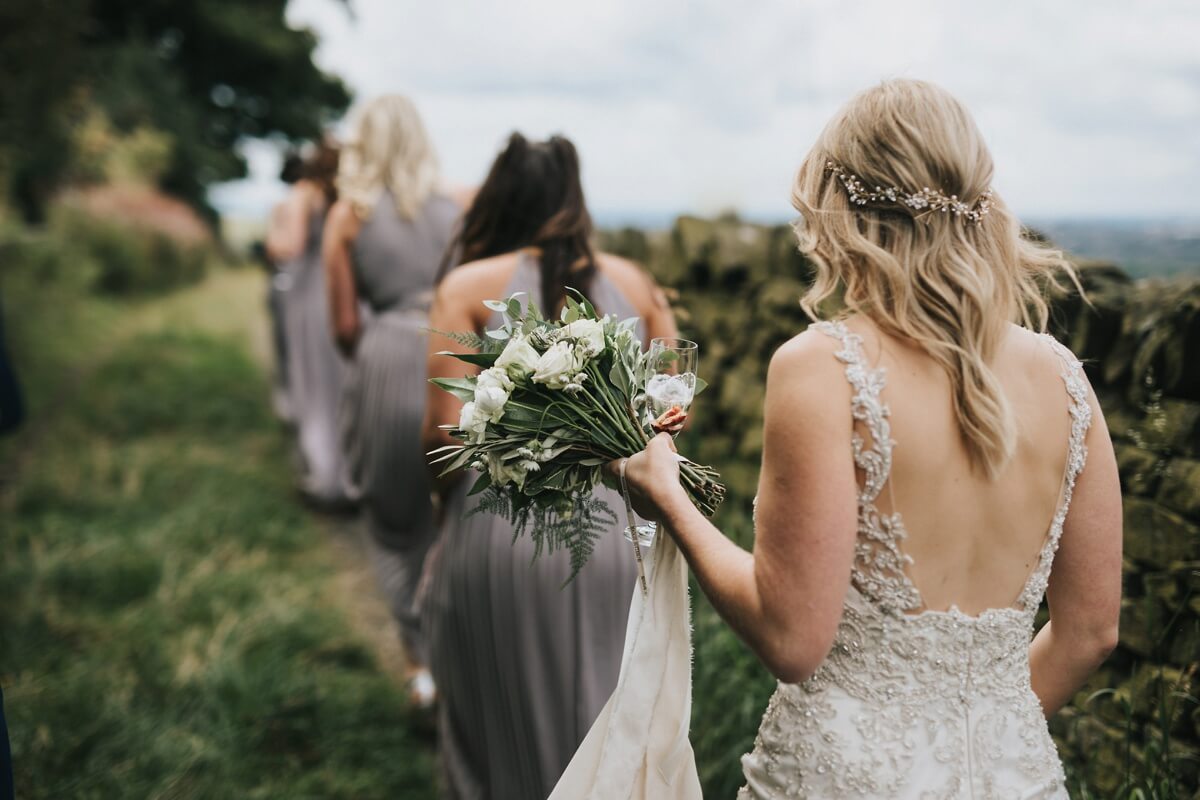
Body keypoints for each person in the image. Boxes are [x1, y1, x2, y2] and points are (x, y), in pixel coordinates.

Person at [618, 79, 1122, 798]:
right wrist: (968, 739)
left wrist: (668, 496)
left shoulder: (823, 369)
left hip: (845, 776)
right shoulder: (1067, 381)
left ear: (843, 210)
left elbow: (791, 639)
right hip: (1015, 779)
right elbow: (1091, 633)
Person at [422, 132, 679, 800]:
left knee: (493, 730)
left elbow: (441, 438)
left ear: (498, 203)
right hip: (616, 535)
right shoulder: (639, 287)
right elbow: (671, 419)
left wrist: (445, 515)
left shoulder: (465, 288)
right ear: (576, 199)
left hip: (495, 532)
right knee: (607, 732)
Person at [323, 95, 461, 708]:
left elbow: (345, 327)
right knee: (451, 519)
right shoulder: (455, 210)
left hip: (383, 359)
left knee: (390, 522)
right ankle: (460, 659)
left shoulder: (347, 216)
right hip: (450, 361)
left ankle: (420, 669)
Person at [267, 141, 351, 507]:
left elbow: (292, 246)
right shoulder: (345, 196)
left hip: (308, 292)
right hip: (340, 289)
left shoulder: (305, 193)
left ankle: (325, 478)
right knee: (339, 384)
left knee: (312, 381)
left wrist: (273, 234)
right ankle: (348, 477)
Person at [261, 151, 306, 425]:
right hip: (309, 287)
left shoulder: (283, 206)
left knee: (286, 343)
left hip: (287, 282)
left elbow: (276, 247)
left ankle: (290, 400)